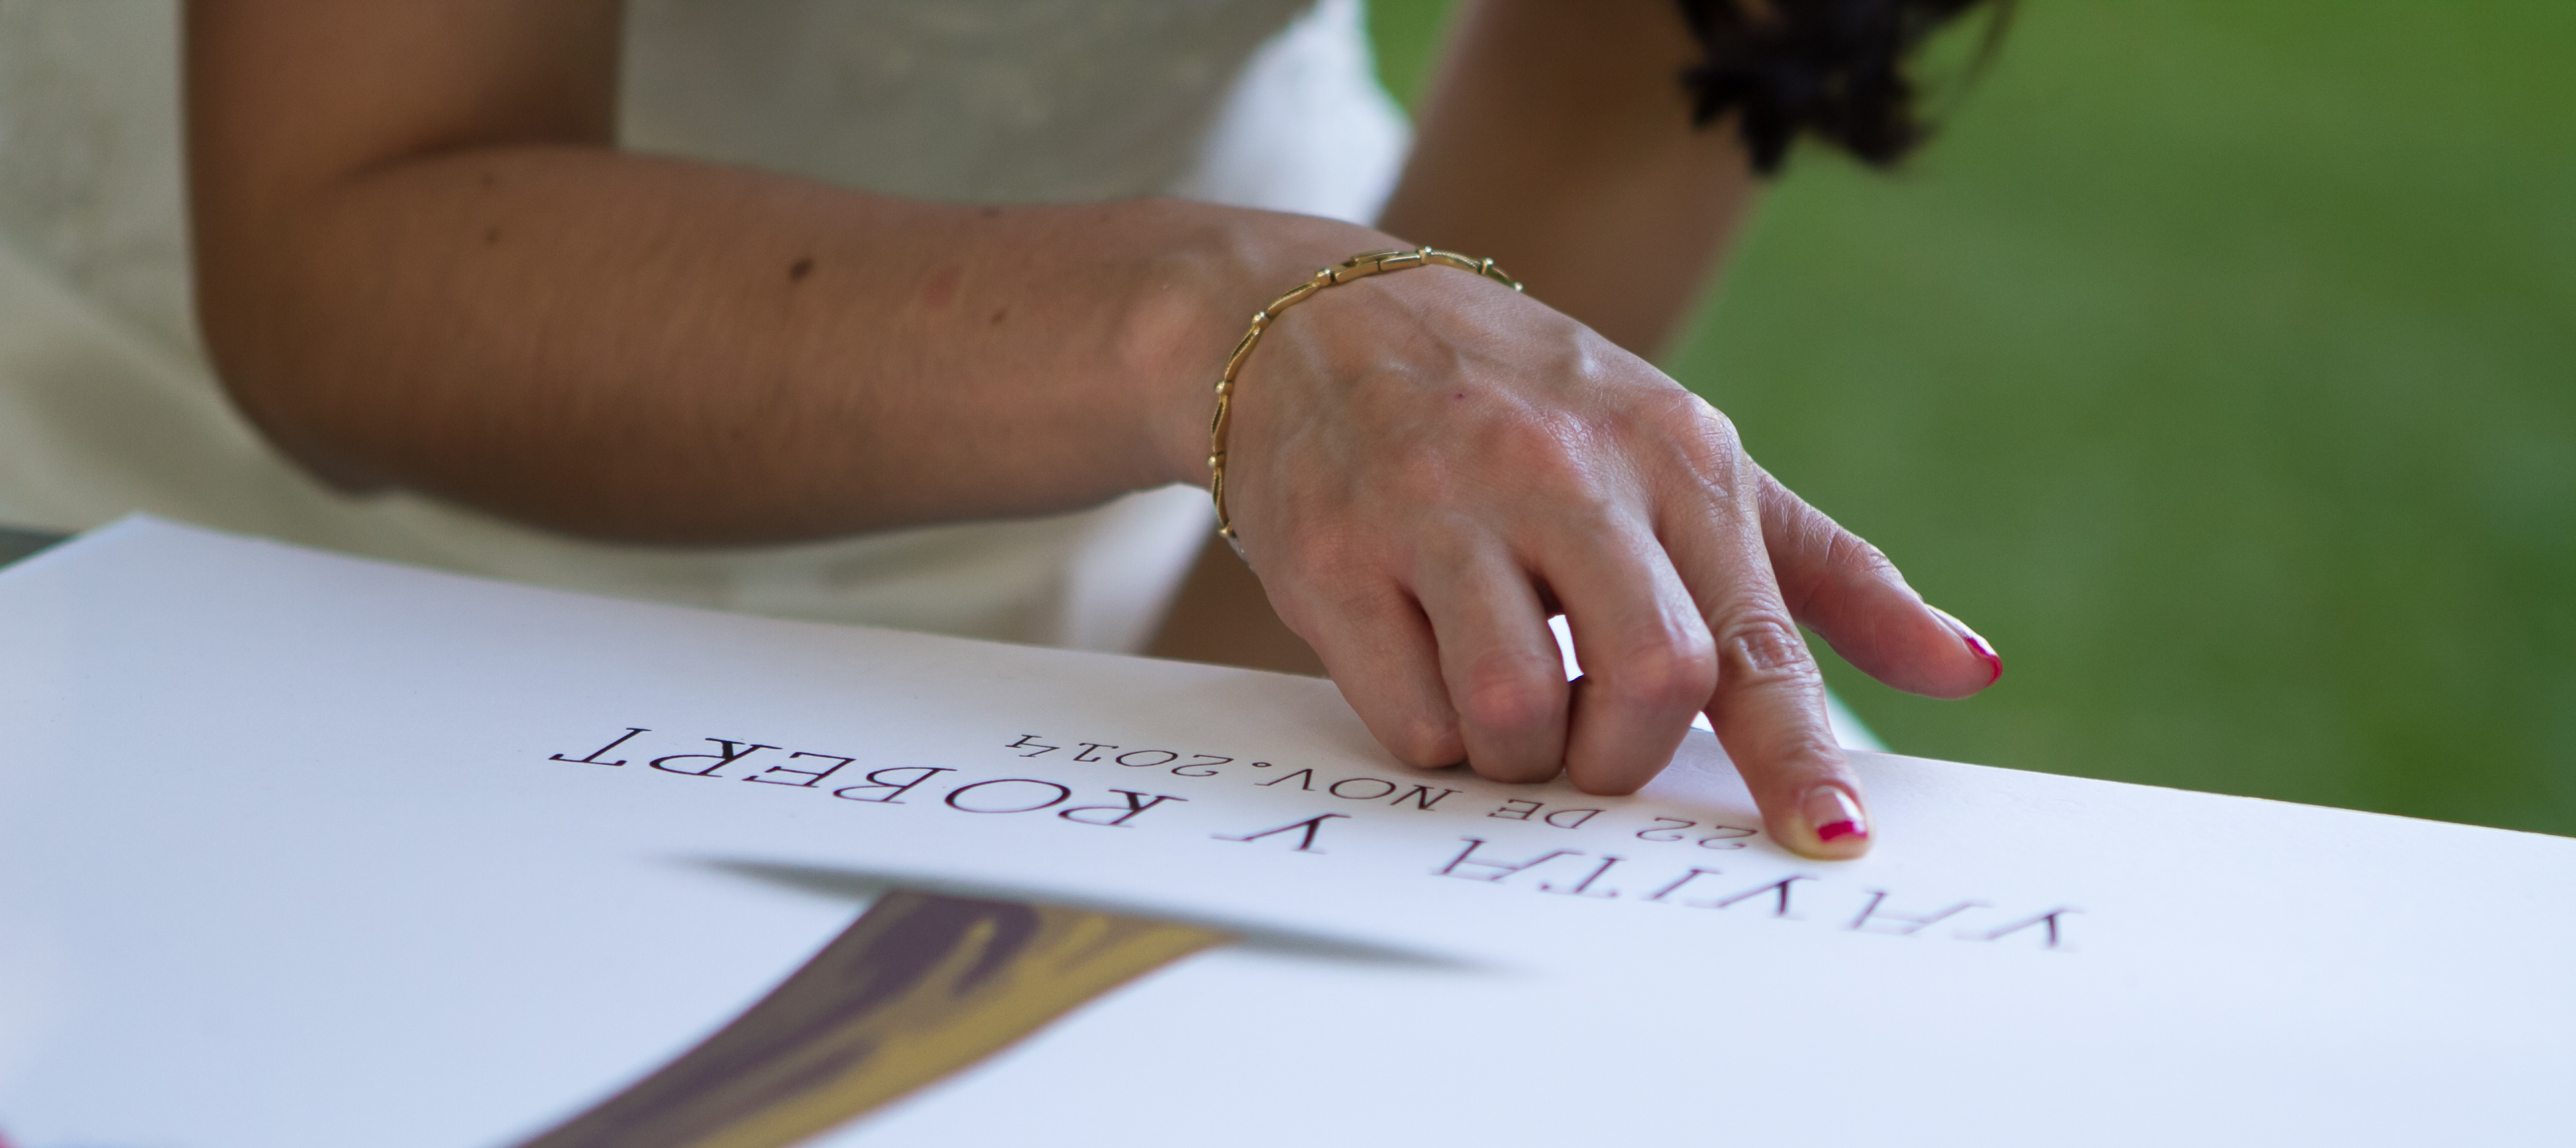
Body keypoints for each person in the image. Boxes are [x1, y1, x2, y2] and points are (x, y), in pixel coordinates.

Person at [3, 1, 2004, 855]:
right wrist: (1216, 329)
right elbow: (342, 261)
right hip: (193, 523)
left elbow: (1622, 87)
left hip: (1176, 529)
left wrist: (1243, 759)